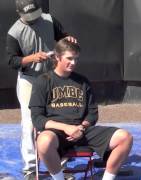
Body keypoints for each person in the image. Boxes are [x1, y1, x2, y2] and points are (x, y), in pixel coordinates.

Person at [29, 38, 133, 180]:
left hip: (83, 131)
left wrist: (81, 128)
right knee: (43, 140)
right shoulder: (43, 81)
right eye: (69, 58)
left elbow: (92, 114)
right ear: (57, 57)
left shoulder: (83, 81)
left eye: (76, 59)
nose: (73, 63)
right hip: (56, 133)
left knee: (125, 137)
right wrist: (66, 128)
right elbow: (37, 119)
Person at [6, 0, 77, 178]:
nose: (33, 19)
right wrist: (31, 58)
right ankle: (30, 168)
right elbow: (12, 61)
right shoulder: (14, 32)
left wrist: (68, 39)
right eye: (28, 16)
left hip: (52, 77)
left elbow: (62, 36)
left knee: (58, 117)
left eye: (35, 14)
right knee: (30, 123)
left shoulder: (49, 19)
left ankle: (59, 166)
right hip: (29, 80)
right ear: (19, 13)